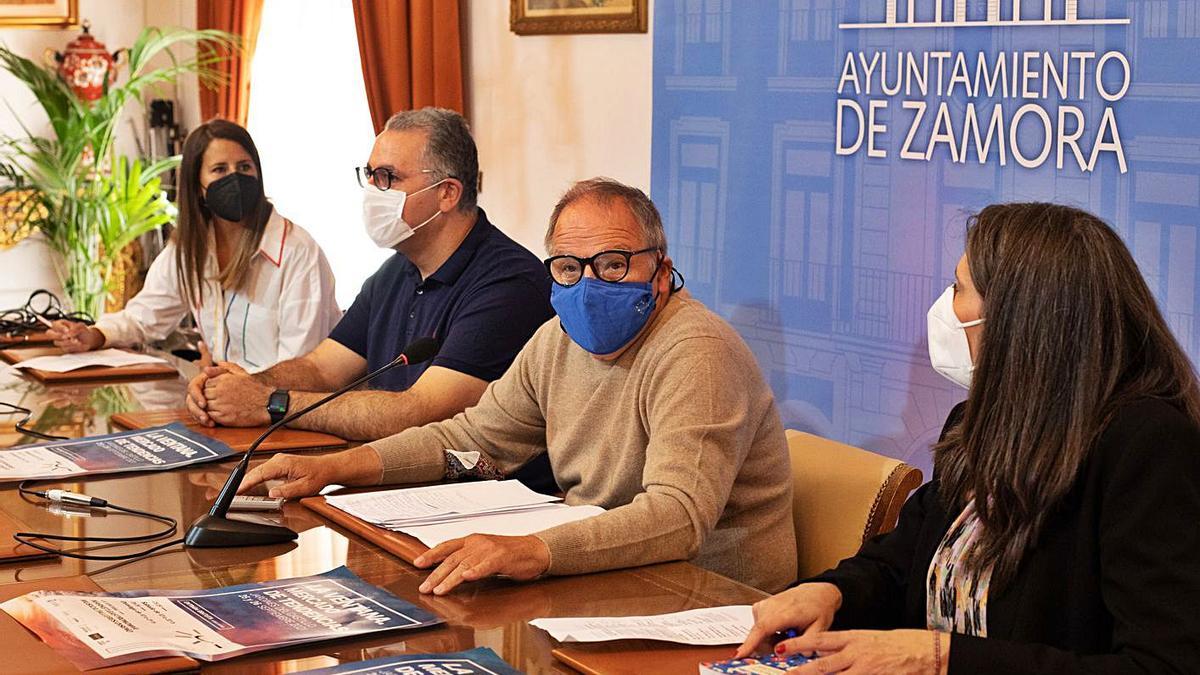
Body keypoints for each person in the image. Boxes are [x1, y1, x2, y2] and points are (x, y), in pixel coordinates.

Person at [236, 177, 797, 594]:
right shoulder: (557, 340)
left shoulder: (696, 353)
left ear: (660, 267)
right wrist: (333, 469)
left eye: (614, 264)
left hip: (708, 599)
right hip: (606, 571)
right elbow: (471, 440)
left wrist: (533, 551)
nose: (589, 284)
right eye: (569, 268)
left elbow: (678, 518)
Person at [736, 203, 1200, 674]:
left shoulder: (1148, 445)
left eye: (959, 288)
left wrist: (939, 659)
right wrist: (833, 593)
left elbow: (1162, 665)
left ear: (1020, 319)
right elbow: (903, 563)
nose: (946, 305)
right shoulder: (979, 422)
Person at [185, 108, 556, 487]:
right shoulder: (397, 270)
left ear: (447, 193)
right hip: (394, 485)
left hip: (483, 506)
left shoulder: (508, 284)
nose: (372, 192)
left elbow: (418, 413)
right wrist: (237, 387)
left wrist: (269, 403)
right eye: (369, 175)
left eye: (387, 178)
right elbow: (322, 368)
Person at [48, 119, 340, 373]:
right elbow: (146, 317)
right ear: (197, 185)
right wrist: (95, 335)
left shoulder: (297, 252)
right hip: (230, 407)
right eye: (219, 170)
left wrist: (229, 385)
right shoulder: (189, 250)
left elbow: (302, 367)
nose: (234, 179)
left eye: (244, 166)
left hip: (285, 416)